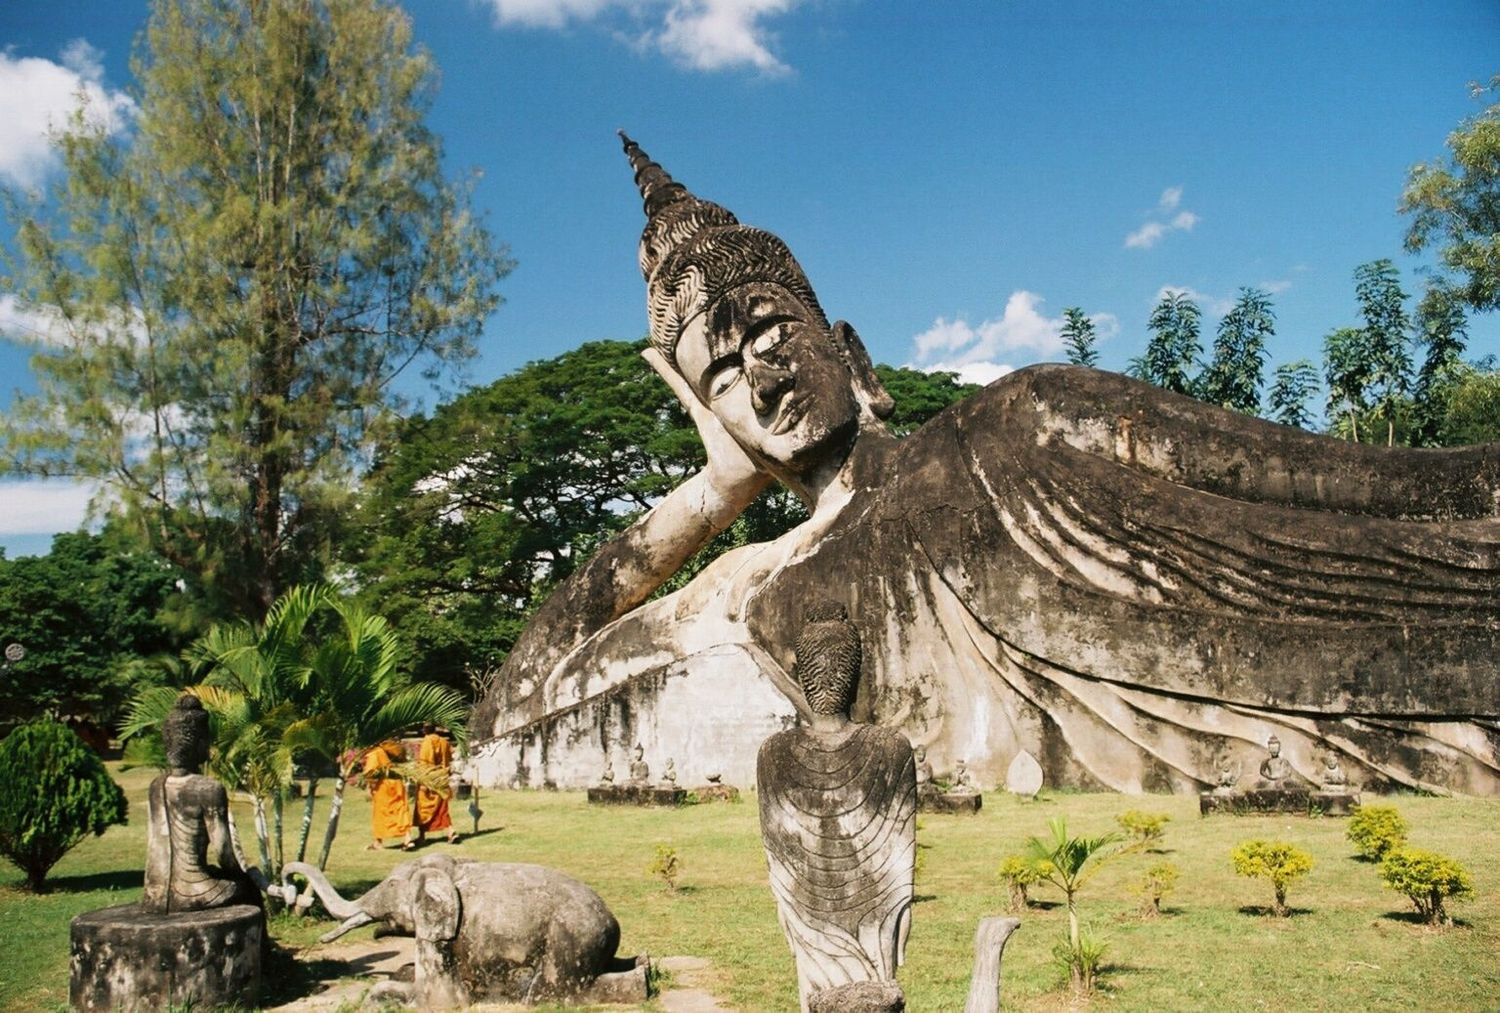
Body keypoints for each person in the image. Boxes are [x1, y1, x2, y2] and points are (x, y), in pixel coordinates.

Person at [471, 135, 1500, 796]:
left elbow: (1385, 490)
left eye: (773, 331)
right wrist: (712, 493)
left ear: (851, 350)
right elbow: (515, 705)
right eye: (726, 374)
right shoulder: (748, 580)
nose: (765, 376)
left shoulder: (1015, 417)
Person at [144, 694, 262, 912]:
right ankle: (262, 947)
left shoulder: (156, 786)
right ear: (198, 743)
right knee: (250, 891)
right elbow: (223, 852)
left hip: (156, 892)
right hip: (192, 890)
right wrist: (242, 875)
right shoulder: (207, 789)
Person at [414, 722, 459, 845]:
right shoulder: (444, 741)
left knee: (423, 808)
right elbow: (449, 757)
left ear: (425, 730)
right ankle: (451, 832)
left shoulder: (427, 741)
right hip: (442, 777)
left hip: (429, 779)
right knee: (442, 808)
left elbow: (425, 762)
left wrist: (422, 778)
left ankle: (422, 836)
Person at [365, 739, 412, 850]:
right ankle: (408, 839)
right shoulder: (396, 748)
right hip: (397, 783)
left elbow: (371, 771)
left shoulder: (376, 752)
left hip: (384, 785)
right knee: (401, 809)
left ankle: (378, 842)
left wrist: (370, 786)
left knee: (380, 813)